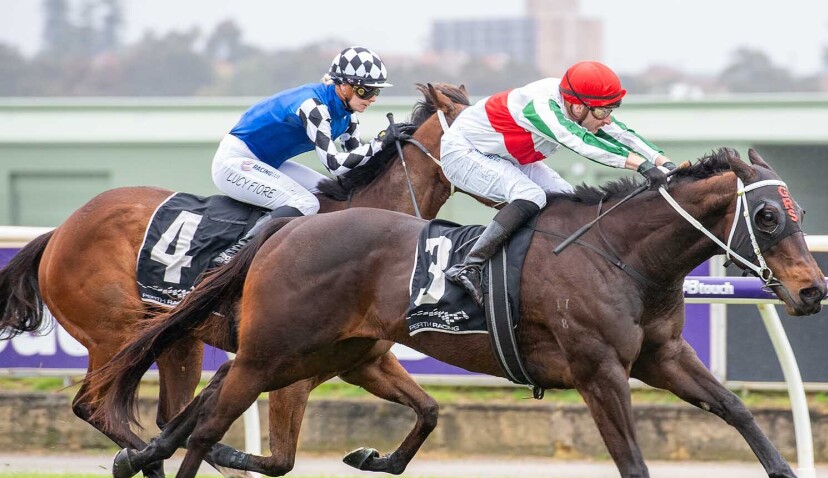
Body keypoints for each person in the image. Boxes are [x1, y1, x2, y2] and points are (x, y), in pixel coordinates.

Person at [440, 60, 677, 306]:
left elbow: (621, 133)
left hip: (510, 156)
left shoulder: (576, 99)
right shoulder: (540, 107)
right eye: (601, 112)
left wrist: (663, 161)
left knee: (569, 202)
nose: (607, 120)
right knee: (531, 196)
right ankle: (470, 266)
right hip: (464, 152)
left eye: (609, 111)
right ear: (576, 107)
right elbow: (580, 141)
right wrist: (641, 166)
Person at [210, 46, 406, 265]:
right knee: (305, 203)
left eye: (376, 92)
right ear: (343, 86)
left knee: (329, 193)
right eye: (365, 91)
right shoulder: (314, 107)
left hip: (267, 162)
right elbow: (335, 164)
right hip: (234, 161)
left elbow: (356, 167)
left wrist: (390, 147)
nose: (372, 99)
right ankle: (235, 254)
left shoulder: (348, 117)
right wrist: (380, 142)